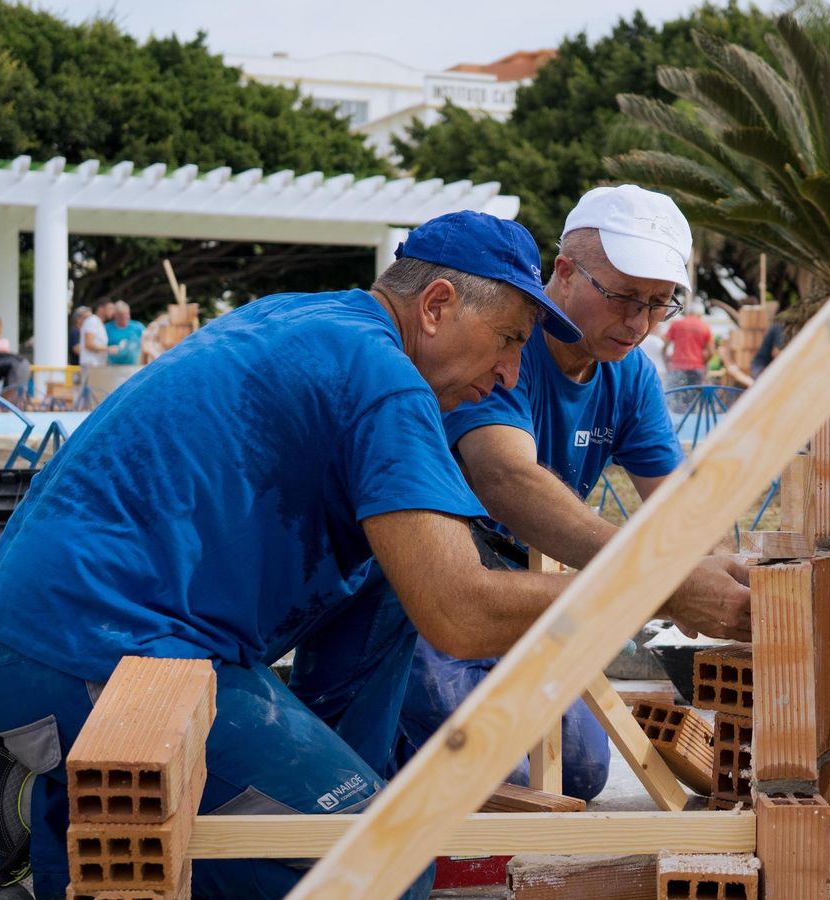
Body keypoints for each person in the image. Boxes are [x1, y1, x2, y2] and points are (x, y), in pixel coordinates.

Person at [0, 211, 587, 900]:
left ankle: (74, 808)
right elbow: (459, 610)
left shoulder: (310, 320)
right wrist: (644, 589)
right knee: (387, 868)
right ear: (438, 305)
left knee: (392, 575)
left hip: (69, 632)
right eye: (509, 340)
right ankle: (28, 810)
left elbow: (427, 579)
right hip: (86, 658)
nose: (513, 374)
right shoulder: (385, 379)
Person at [290, 185, 751, 802]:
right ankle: (366, 755)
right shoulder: (498, 343)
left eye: (657, 305)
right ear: (564, 271)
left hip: (521, 581)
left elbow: (680, 502)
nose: (638, 322)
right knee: (479, 762)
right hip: (427, 578)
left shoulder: (629, 375)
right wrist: (656, 582)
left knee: (578, 771)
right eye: (622, 298)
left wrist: (725, 572)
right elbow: (504, 477)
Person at [662, 300, 712, 390]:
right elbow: (711, 352)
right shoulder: (705, 327)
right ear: (700, 314)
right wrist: (704, 362)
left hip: (677, 367)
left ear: (688, 312)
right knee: (694, 399)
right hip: (696, 368)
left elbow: (664, 346)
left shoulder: (676, 324)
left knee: (674, 398)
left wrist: (666, 362)